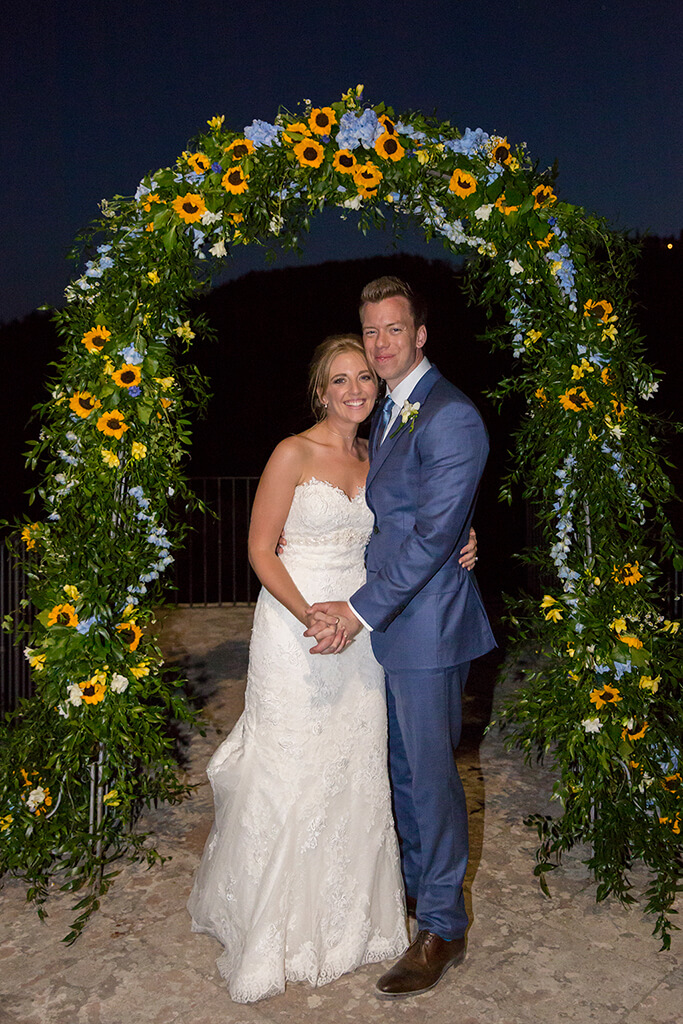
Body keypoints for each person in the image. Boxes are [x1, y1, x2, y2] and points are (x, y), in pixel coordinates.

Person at [187, 333, 478, 1003]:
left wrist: (464, 533)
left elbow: (417, 520)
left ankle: (357, 914)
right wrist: (308, 615)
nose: (354, 389)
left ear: (376, 389)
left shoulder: (380, 455)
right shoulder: (290, 452)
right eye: (339, 379)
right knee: (291, 764)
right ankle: (275, 921)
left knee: (354, 764)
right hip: (297, 629)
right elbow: (261, 551)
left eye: (363, 379)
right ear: (320, 391)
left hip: (363, 629)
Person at [305, 278, 496, 999]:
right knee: (406, 774)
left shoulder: (450, 416)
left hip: (426, 628)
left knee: (431, 779)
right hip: (395, 625)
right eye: (371, 331)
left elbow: (427, 538)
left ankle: (443, 926)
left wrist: (356, 611)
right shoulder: (389, 410)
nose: (382, 344)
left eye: (394, 331)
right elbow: (397, 514)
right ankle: (419, 898)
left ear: (421, 335)